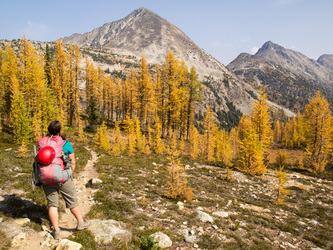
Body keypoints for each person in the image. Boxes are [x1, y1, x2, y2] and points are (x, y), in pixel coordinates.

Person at [39, 120, 90, 240]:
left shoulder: (43, 142)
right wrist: (69, 174)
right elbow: (72, 162)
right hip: (63, 178)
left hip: (47, 178)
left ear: (49, 130)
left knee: (52, 205)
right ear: (60, 131)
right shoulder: (65, 144)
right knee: (72, 202)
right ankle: (81, 222)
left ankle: (56, 231)